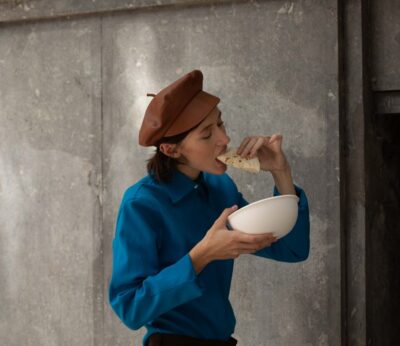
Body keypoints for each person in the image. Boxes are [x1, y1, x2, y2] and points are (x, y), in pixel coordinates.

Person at [108, 70, 310, 346]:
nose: (224, 139)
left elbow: (292, 249)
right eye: (206, 135)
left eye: (220, 124)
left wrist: (281, 171)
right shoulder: (141, 204)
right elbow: (130, 308)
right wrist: (201, 256)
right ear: (171, 150)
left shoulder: (220, 188)